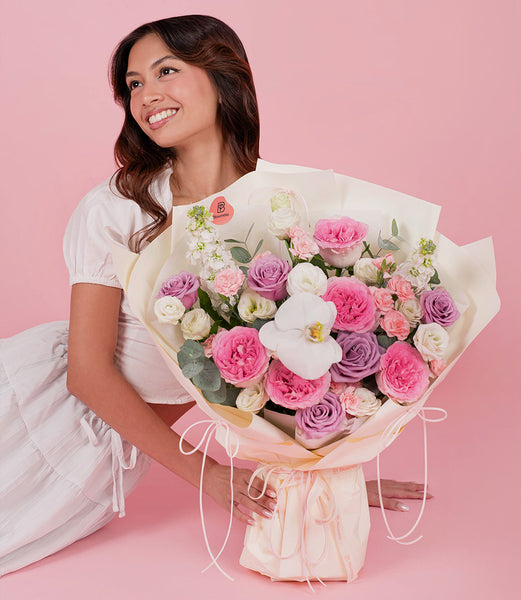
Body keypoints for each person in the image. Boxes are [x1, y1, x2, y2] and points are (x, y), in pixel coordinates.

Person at [0, 15, 429, 577]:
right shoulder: (119, 206)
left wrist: (325, 473)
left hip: (113, 459)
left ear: (223, 77)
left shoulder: (283, 207)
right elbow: (87, 374)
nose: (146, 95)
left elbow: (283, 370)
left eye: (166, 72)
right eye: (134, 84)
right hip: (35, 411)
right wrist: (211, 475)